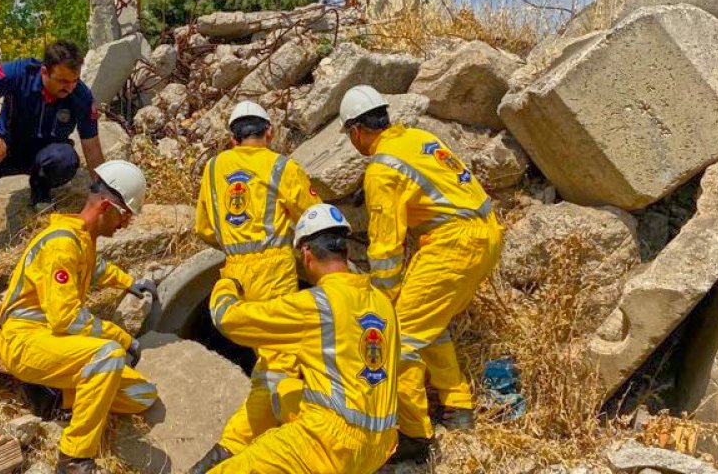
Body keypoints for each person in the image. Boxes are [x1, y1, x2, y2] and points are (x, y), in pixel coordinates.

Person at [339, 85, 503, 463]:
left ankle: (414, 436)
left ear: (356, 132)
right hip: (484, 233)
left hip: (454, 244)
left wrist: (381, 295)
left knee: (400, 337)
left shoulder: (381, 168)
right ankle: (458, 406)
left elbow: (384, 249)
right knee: (430, 322)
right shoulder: (417, 138)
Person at [204, 203, 399, 473]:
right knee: (283, 388)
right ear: (345, 249)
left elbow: (230, 320)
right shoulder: (382, 303)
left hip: (330, 442)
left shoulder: (317, 305)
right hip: (379, 446)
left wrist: (228, 284)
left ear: (306, 252)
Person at [0, 160, 159, 474]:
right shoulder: (61, 244)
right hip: (26, 340)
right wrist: (122, 337)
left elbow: (95, 270)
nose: (124, 225)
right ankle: (73, 458)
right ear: (107, 207)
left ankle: (55, 396)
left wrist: (129, 282)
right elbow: (65, 320)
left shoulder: (81, 239)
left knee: (142, 395)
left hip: (54, 343)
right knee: (109, 356)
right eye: (125, 215)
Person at [190, 101, 322, 474]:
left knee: (268, 363)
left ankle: (230, 447)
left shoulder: (215, 166)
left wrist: (237, 245)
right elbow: (313, 219)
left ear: (232, 138)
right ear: (269, 133)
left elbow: (203, 227)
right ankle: (301, 439)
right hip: (274, 269)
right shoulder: (281, 166)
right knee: (284, 360)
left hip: (233, 271)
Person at [0, 40, 104, 266]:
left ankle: (40, 189)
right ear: (45, 71)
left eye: (74, 81)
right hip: (5, 148)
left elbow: (91, 145)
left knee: (66, 159)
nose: (69, 87)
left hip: (46, 155)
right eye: (62, 81)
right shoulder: (20, 72)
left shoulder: (80, 95)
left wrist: (101, 189)